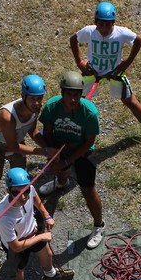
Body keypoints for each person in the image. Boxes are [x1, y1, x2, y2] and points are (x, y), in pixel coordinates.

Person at [70, 1, 141, 153]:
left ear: (113, 23)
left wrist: (126, 63)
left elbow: (138, 41)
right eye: (101, 24)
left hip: (114, 73)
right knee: (77, 102)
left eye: (108, 25)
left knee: (129, 100)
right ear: (95, 22)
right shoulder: (89, 31)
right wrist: (79, 62)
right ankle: (72, 133)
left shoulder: (121, 33)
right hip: (92, 72)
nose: (104, 28)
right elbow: (74, 39)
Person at [38, 71, 107, 250]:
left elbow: (89, 142)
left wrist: (67, 161)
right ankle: (62, 183)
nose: (73, 99)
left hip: (82, 150)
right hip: (60, 144)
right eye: (69, 94)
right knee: (59, 170)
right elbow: (48, 132)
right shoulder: (51, 107)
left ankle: (99, 225)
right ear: (62, 93)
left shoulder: (90, 113)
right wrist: (55, 157)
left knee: (88, 189)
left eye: (77, 95)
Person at [0, 74, 53, 236]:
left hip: (15, 146)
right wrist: (45, 151)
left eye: (40, 99)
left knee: (22, 181)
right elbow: (13, 145)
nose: (37, 103)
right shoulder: (6, 116)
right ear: (23, 97)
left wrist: (48, 148)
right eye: (33, 99)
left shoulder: (34, 109)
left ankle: (24, 207)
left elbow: (33, 131)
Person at [0, 167, 73, 280]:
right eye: (16, 193)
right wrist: (41, 237)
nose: (23, 197)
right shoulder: (4, 215)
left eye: (26, 191)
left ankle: (50, 275)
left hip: (33, 232)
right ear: (8, 191)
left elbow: (35, 198)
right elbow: (16, 246)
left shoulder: (29, 189)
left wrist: (46, 215)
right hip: (18, 246)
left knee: (47, 255)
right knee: (19, 271)